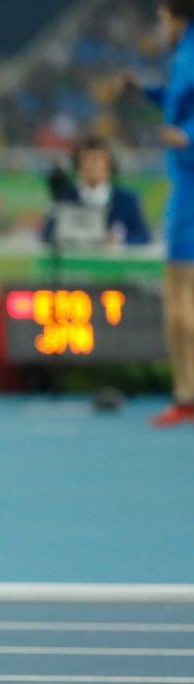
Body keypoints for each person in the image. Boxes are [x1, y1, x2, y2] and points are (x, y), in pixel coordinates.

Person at [135, 0, 194, 427]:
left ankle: (185, 394)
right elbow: (180, 104)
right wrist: (145, 91)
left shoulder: (188, 56)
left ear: (176, 16)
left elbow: (185, 120)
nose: (159, 27)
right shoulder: (182, 56)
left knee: (178, 297)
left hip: (190, 188)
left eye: (161, 18)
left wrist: (186, 136)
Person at [42, 135, 151, 247]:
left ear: (109, 166)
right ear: (79, 165)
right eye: (87, 159)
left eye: (98, 160)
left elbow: (143, 236)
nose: (92, 165)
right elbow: (47, 234)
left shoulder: (127, 200)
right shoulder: (64, 198)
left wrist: (118, 241)